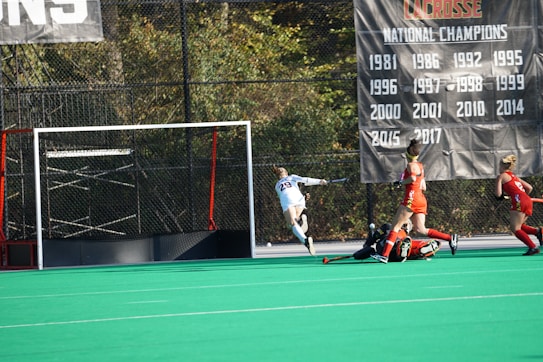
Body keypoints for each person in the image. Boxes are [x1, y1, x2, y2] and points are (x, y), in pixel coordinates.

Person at [372, 139, 458, 264]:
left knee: (395, 227)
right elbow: (423, 187)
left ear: (408, 154)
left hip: (411, 199)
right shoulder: (421, 166)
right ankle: (450, 238)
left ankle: (384, 255)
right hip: (421, 199)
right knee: (421, 229)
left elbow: (412, 178)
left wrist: (401, 182)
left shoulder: (410, 165)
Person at [322, 222, 441, 264]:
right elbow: (372, 239)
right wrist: (366, 247)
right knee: (409, 244)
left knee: (407, 244)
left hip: (390, 253)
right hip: (390, 248)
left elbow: (370, 241)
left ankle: (416, 250)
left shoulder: (394, 229)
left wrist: (366, 248)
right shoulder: (393, 229)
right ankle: (417, 249)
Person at [272, 165, 328, 256]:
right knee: (295, 222)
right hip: (299, 199)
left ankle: (305, 240)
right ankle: (301, 221)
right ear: (285, 173)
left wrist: (319, 182)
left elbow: (284, 195)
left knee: (292, 223)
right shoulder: (291, 178)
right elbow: (305, 180)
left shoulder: (278, 185)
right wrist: (319, 181)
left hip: (289, 200)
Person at [495, 155, 542, 255]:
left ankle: (533, 247)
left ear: (502, 166)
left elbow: (498, 195)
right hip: (527, 200)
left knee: (515, 228)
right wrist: (521, 197)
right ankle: (538, 232)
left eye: (499, 165)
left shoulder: (501, 176)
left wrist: (507, 196)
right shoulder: (515, 177)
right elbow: (529, 188)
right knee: (520, 226)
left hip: (519, 200)